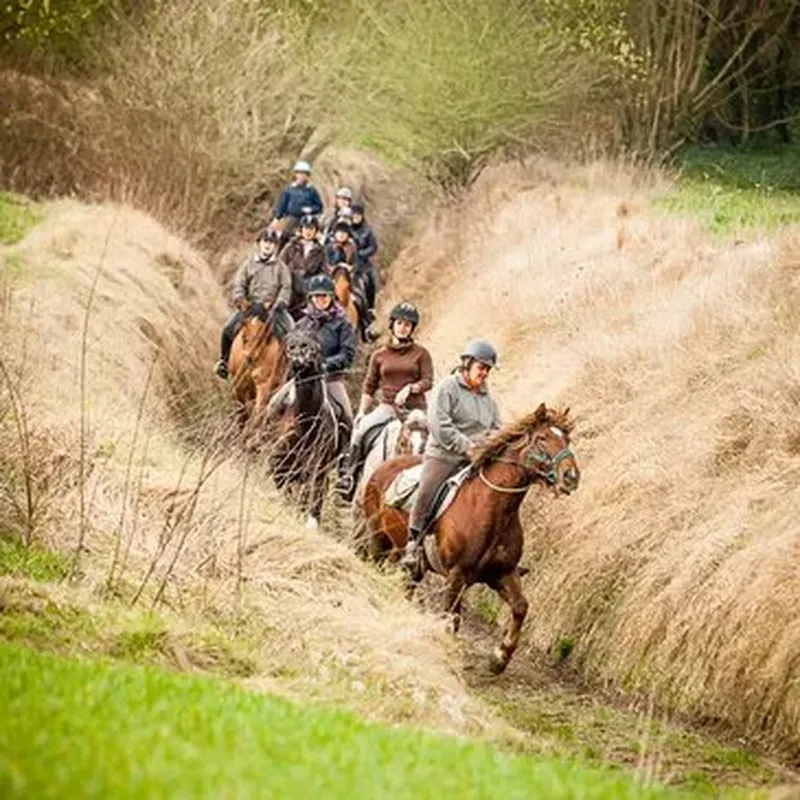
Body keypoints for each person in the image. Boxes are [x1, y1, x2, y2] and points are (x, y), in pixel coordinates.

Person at [400, 339, 502, 572]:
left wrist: (494, 447)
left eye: (487, 369)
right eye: (481, 367)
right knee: (427, 489)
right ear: (467, 364)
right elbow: (440, 425)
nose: (484, 373)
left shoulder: (488, 400)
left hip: (477, 459)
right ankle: (413, 543)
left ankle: (499, 549)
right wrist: (468, 447)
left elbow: (497, 428)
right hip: (444, 455)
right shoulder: (447, 388)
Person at [336, 302, 433, 499]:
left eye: (407, 325)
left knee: (433, 438)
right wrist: (362, 412)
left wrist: (410, 388)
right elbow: (369, 385)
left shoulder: (421, 354)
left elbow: (428, 381)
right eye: (399, 323)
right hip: (387, 407)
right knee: (361, 431)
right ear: (392, 325)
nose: (403, 327)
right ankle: (349, 477)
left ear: (412, 328)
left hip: (415, 409)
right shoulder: (379, 355)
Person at [214, 229, 292, 380]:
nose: (268, 246)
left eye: (271, 243)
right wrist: (240, 300)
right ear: (259, 244)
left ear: (275, 246)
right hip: (250, 308)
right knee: (227, 329)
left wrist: (280, 302)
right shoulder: (248, 265)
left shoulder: (281, 267)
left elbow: (286, 287)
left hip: (272, 308)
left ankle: (289, 366)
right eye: (265, 242)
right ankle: (224, 361)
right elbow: (239, 284)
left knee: (290, 329)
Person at [296, 274, 356, 433]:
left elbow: (347, 354)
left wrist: (326, 365)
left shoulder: (343, 324)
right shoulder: (301, 324)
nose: (320, 299)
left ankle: (347, 454)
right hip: (302, 381)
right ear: (311, 298)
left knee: (347, 417)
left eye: (324, 296)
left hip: (330, 379)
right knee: (273, 406)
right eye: (316, 296)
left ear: (331, 297)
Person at [281, 214, 326, 318]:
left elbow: (324, 271)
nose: (308, 232)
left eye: (311, 229)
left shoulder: (320, 251)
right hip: (290, 285)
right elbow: (281, 265)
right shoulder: (290, 246)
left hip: (309, 288)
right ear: (301, 230)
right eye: (306, 228)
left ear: (316, 231)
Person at [272, 161, 323, 234]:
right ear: (295, 174)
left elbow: (319, 207)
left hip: (306, 220)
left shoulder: (311, 190)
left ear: (307, 175)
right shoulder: (288, 189)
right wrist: (276, 218)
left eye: (303, 174)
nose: (301, 176)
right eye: (299, 173)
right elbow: (281, 205)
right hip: (290, 219)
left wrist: (311, 209)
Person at [349, 202, 379, 324]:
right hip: (348, 265)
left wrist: (361, 253)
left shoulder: (367, 230)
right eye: (354, 215)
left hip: (362, 264)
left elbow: (373, 247)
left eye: (358, 215)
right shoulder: (345, 229)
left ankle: (370, 310)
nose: (356, 217)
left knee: (370, 281)